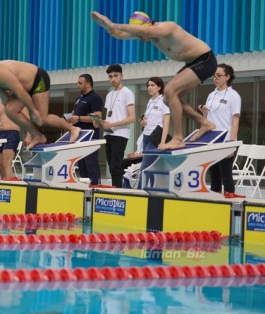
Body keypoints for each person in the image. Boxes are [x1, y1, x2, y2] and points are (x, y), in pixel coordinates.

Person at [91, 10, 216, 150]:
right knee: (167, 98)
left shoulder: (167, 27)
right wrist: (108, 27)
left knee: (170, 90)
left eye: (141, 34)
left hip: (205, 60)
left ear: (148, 26)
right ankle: (205, 123)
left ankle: (178, 138)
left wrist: (115, 24)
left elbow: (144, 30)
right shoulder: (152, 35)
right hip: (193, 63)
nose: (140, 38)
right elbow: (120, 34)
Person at [0, 54, 81, 149]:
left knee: (42, 118)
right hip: (25, 87)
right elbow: (5, 99)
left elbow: (20, 92)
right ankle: (38, 136)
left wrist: (33, 110)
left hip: (38, 80)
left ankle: (72, 129)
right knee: (10, 110)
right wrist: (12, 111)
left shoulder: (0, 72)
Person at [198, 63, 244, 198]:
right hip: (212, 138)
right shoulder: (211, 95)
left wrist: (231, 143)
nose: (215, 78)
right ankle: (215, 201)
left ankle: (230, 201)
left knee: (226, 174)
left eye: (218, 75)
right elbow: (207, 119)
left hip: (226, 139)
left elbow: (235, 119)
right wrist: (203, 113)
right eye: (213, 76)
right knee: (214, 175)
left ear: (227, 77)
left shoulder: (233, 95)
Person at [97, 64, 136, 188]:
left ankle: (117, 192)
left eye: (115, 76)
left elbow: (132, 118)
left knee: (116, 166)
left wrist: (112, 124)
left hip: (120, 135)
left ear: (121, 76)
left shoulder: (127, 93)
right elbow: (111, 116)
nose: (113, 79)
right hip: (108, 134)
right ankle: (114, 189)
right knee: (111, 166)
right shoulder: (109, 95)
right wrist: (100, 122)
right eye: (110, 76)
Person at [66, 74, 103, 186]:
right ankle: (84, 187)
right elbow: (74, 113)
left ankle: (95, 187)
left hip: (90, 136)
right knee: (81, 165)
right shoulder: (79, 98)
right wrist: (68, 118)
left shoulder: (95, 98)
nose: (78, 86)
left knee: (90, 164)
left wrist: (79, 118)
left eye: (80, 83)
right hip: (79, 136)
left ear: (88, 84)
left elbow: (98, 117)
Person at [137, 77, 170, 189]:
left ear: (159, 87)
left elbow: (166, 122)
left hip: (155, 138)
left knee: (145, 167)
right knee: (151, 167)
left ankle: (139, 192)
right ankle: (151, 190)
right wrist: (143, 122)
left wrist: (163, 142)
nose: (149, 88)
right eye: (148, 85)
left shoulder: (163, 101)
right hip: (146, 136)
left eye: (152, 85)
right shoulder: (150, 101)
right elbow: (150, 121)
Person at [0, 98, 22, 180]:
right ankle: (3, 183)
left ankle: (9, 185)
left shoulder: (20, 99)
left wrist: (29, 136)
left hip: (12, 133)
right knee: (0, 163)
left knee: (6, 162)